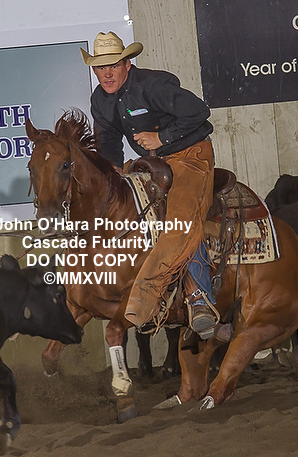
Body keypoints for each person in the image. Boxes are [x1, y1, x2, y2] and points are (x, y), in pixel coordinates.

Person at [80, 31, 218, 338]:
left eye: (113, 65)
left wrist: (161, 138)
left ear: (127, 64)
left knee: (181, 221)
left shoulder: (153, 85)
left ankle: (197, 299)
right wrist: (112, 173)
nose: (107, 73)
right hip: (151, 163)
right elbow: (109, 141)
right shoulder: (100, 100)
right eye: (100, 67)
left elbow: (199, 111)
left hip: (189, 156)